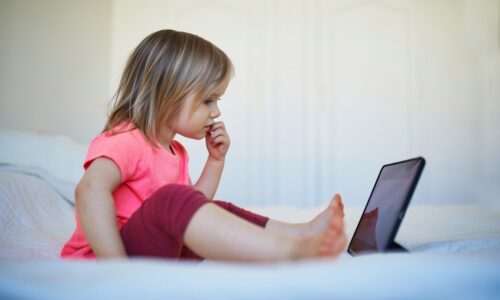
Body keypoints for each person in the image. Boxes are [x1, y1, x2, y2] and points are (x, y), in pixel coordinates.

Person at [61, 29, 347, 262]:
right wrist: (115, 269)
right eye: (208, 99)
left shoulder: (176, 151)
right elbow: (89, 190)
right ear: (168, 94)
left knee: (211, 207)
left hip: (157, 253)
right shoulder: (127, 139)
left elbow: (191, 207)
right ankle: (291, 252)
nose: (216, 112)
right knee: (171, 199)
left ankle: (299, 233)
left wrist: (215, 161)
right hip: (106, 259)